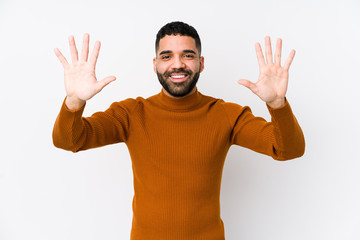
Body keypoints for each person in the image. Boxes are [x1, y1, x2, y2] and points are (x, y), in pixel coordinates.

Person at [53, 21, 305, 240]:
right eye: (166, 56)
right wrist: (74, 101)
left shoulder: (226, 114)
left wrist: (276, 104)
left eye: (187, 55)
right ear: (155, 64)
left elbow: (288, 150)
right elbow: (70, 140)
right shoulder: (131, 114)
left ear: (201, 63)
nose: (177, 64)